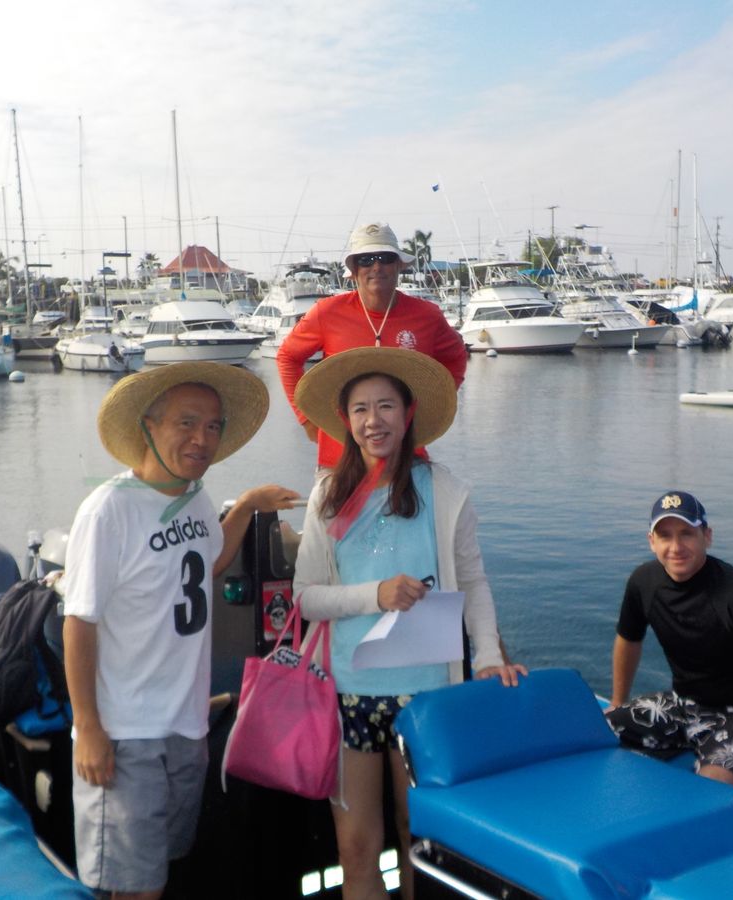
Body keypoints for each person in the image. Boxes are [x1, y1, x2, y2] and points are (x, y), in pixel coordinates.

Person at [291, 346, 526, 900]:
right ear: (345, 421)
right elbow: (305, 598)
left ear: (408, 412)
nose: (374, 421)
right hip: (348, 693)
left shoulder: (444, 491)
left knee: (418, 839)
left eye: (386, 406)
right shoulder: (328, 495)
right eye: (361, 409)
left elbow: (473, 583)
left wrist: (488, 658)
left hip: (428, 695)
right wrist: (376, 594)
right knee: (355, 848)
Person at [61, 363, 299, 900]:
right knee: (134, 886)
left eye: (213, 426)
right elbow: (79, 623)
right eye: (186, 423)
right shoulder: (108, 510)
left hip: (186, 725)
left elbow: (209, 560)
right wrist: (89, 727)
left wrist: (247, 505)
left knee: (163, 870)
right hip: (126, 730)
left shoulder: (194, 498)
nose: (202, 439)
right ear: (148, 426)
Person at [605, 490, 733, 786]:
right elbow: (628, 639)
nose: (676, 547)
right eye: (665, 536)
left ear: (707, 536)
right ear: (651, 541)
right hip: (681, 705)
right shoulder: (643, 582)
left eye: (686, 534)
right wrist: (618, 700)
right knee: (599, 730)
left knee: (713, 785)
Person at [277, 222, 468, 467]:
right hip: (340, 462)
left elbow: (456, 357)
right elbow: (287, 357)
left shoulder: (427, 315)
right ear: (354, 269)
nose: (376, 267)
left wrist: (433, 402)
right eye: (366, 260)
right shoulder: (326, 312)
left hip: (406, 460)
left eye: (385, 258)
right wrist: (306, 419)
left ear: (398, 265)